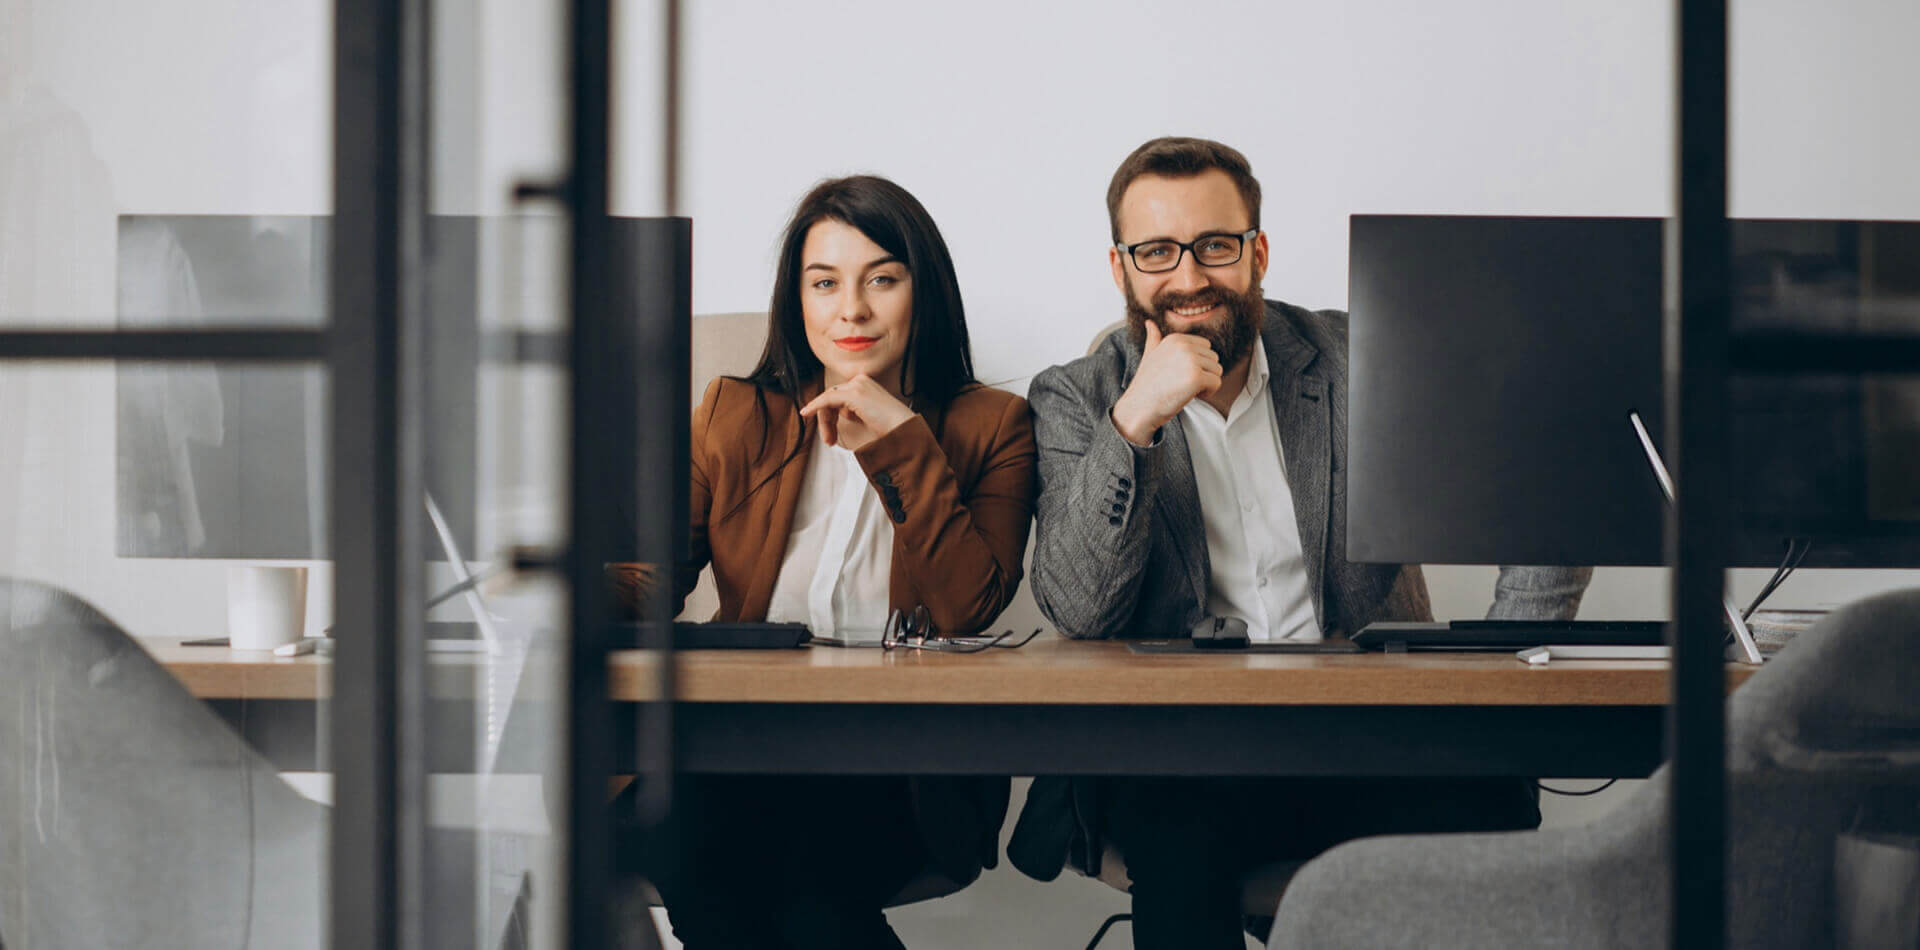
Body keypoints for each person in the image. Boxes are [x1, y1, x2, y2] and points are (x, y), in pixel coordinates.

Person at [1004, 137, 1591, 949]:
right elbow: (1079, 606)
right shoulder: (1078, 395)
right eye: (1155, 252)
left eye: (1215, 245)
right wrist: (1134, 423)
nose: (1188, 277)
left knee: (1485, 805)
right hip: (1185, 748)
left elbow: (1548, 462)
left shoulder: (1366, 355)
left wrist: (1507, 659)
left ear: (1258, 253)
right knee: (1175, 827)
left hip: (1373, 731)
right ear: (1120, 269)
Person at [618, 175, 1037, 950]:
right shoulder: (731, 412)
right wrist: (552, 585)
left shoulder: (995, 425)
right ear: (796, 300)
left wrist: (900, 440)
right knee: (721, 855)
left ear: (925, 291)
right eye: (825, 283)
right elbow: (651, 576)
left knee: (766, 877)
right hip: (735, 742)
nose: (852, 309)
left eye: (881, 278)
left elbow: (968, 606)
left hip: (901, 764)